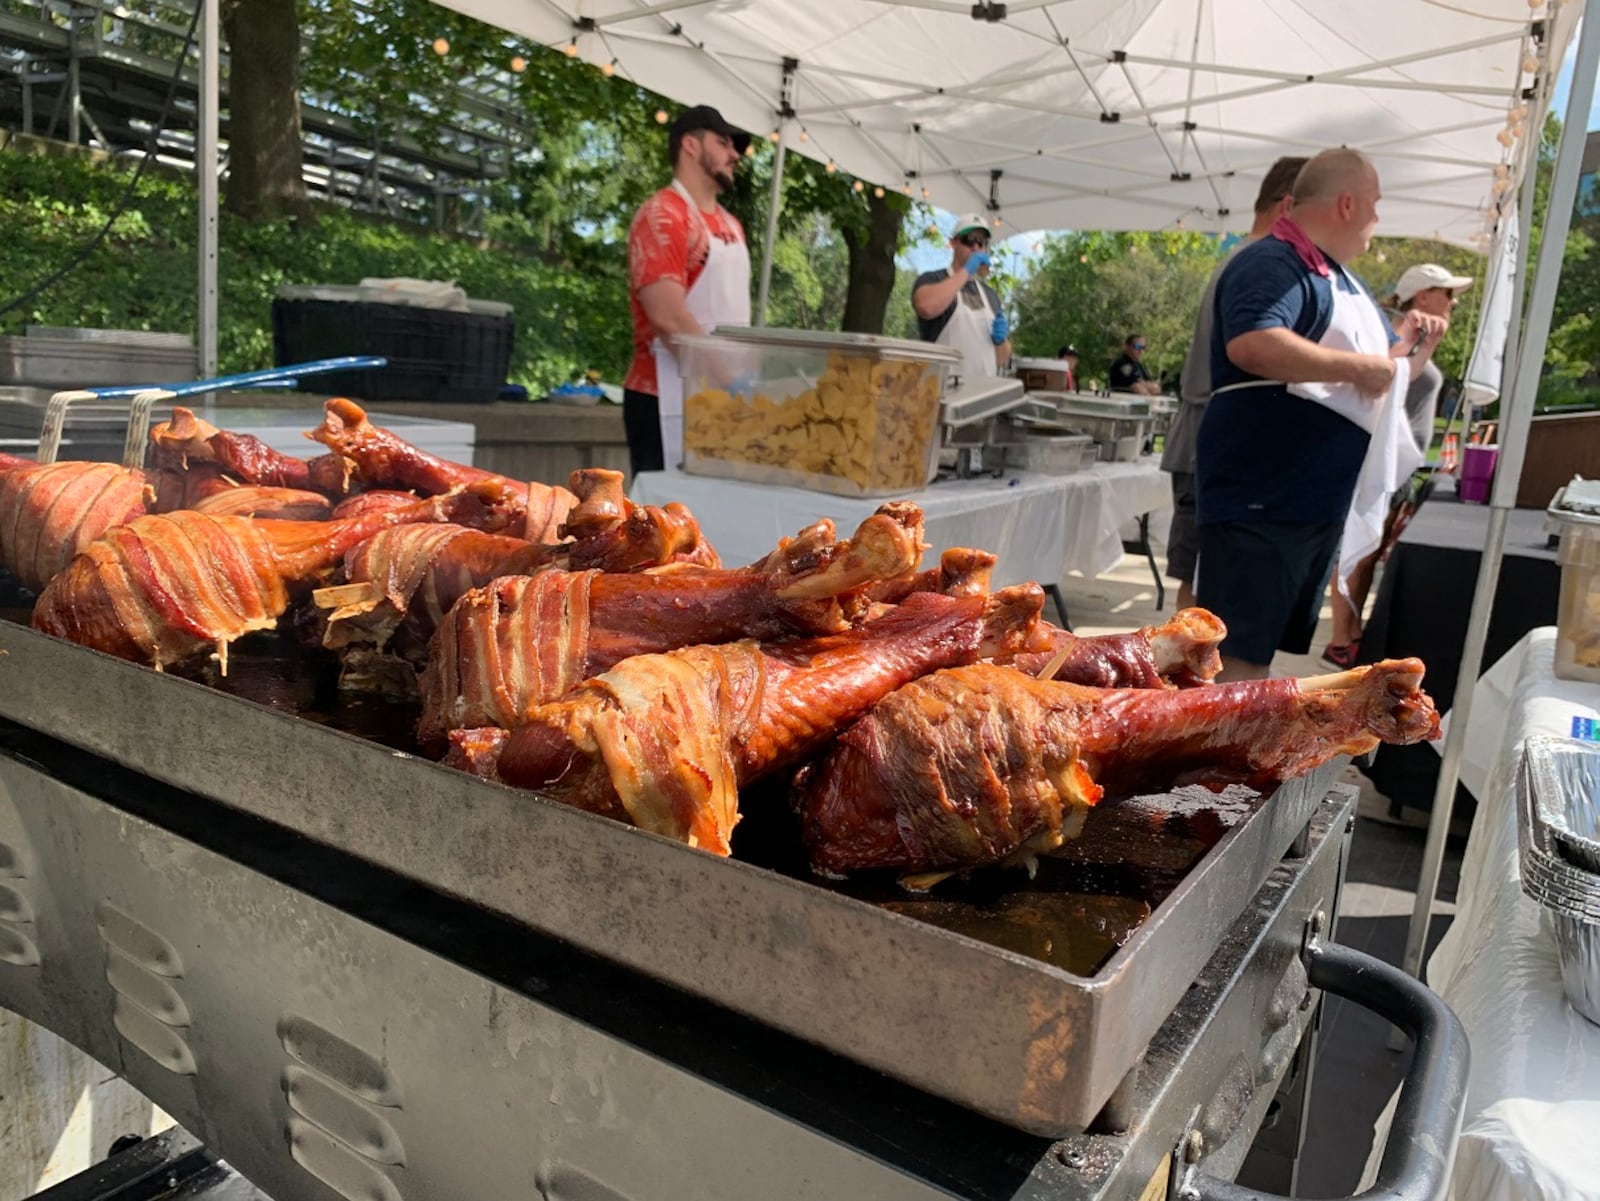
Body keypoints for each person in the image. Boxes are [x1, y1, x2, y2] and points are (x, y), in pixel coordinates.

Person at [1193, 148, 1448, 681]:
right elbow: (1253, 341)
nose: (1379, 220)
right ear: (1348, 203)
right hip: (1263, 498)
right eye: (1375, 205)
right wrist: (1358, 368)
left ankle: (1239, 753)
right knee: (1235, 658)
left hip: (1304, 500)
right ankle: (1222, 759)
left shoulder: (1336, 278)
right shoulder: (1273, 261)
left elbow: (1383, 369)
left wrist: (1409, 351)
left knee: (1255, 656)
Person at [1161, 156, 1307, 611]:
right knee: (1202, 590)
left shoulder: (1249, 260)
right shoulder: (1257, 265)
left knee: (1205, 586)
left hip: (1212, 450)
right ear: (1288, 207)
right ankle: (1184, 683)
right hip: (1211, 451)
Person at [1321, 262, 1470, 667]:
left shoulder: (1412, 333)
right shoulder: (1402, 333)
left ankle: (1350, 633)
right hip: (1379, 463)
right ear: (1423, 295)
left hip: (1399, 467)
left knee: (1369, 552)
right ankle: (1341, 638)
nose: (1454, 302)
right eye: (1447, 293)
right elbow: (1383, 383)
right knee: (1359, 549)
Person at [623, 105, 752, 477]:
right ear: (691, 146)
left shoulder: (732, 225)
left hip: (719, 397)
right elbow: (667, 315)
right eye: (723, 143)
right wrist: (728, 376)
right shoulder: (662, 215)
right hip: (663, 396)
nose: (734, 155)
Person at [912, 215, 1013, 379]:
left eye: (981, 242)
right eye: (969, 240)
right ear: (953, 243)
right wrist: (966, 271)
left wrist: (1000, 341)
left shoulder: (990, 295)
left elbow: (1001, 359)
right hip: (943, 391)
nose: (975, 247)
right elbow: (926, 306)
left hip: (983, 394)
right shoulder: (933, 280)